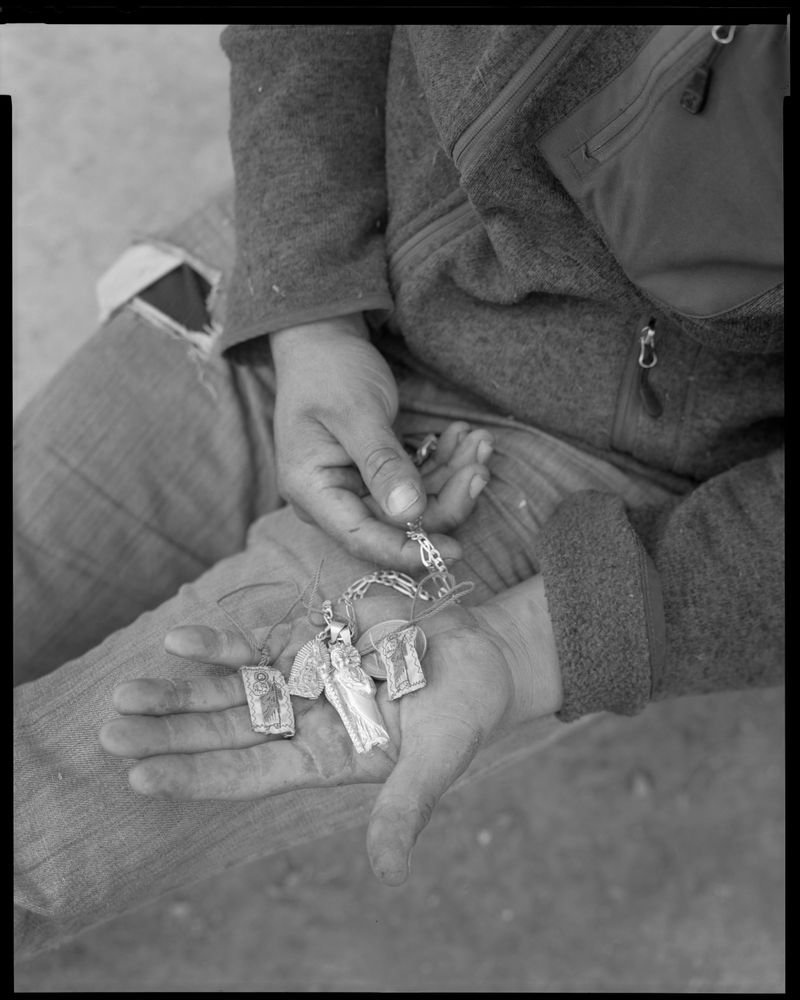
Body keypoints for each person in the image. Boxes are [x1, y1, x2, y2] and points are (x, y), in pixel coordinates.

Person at [14, 23, 785, 960]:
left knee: (40, 837)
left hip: (600, 476)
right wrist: (307, 308)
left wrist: (538, 637)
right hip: (347, 255)